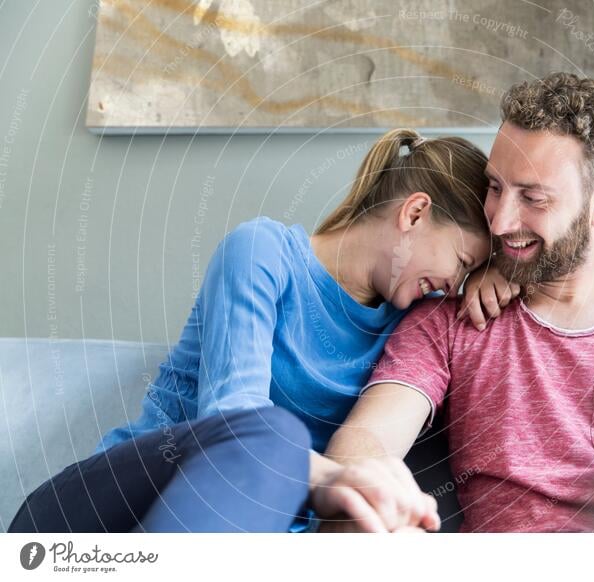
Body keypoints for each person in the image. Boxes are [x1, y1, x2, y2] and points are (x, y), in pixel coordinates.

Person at [9, 128, 495, 533]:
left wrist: (505, 278)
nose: (458, 283)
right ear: (414, 213)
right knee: (272, 435)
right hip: (113, 506)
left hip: (247, 533)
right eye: (462, 261)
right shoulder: (262, 254)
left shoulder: (419, 321)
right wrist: (342, 481)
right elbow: (234, 424)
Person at [325, 73, 594, 532]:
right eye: (495, 187)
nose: (499, 222)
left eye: (533, 198)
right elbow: (362, 448)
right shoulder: (450, 323)